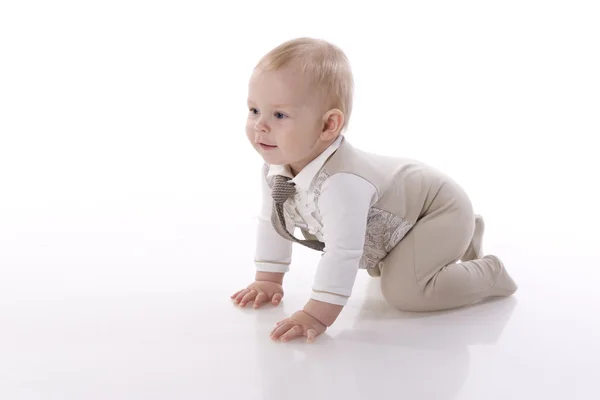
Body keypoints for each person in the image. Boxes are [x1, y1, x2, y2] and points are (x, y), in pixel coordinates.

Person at [231, 37, 517, 343]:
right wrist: (268, 280)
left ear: (328, 126)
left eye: (279, 115)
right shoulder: (276, 169)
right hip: (406, 216)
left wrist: (316, 313)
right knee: (385, 272)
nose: (260, 125)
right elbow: (273, 222)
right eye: (254, 110)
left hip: (436, 210)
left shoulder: (341, 183)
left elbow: (342, 251)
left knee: (406, 292)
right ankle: (456, 238)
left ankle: (489, 272)